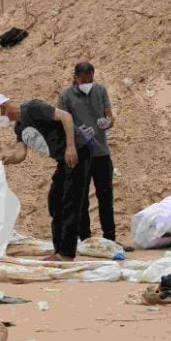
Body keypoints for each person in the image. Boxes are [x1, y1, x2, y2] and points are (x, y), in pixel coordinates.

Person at [0, 93, 92, 261]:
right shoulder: (19, 128)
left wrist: (71, 147)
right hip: (63, 159)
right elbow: (20, 154)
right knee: (55, 201)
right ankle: (59, 250)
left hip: (79, 150)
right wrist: (7, 160)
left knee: (70, 201)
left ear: (3, 108)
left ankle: (66, 254)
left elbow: (66, 117)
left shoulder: (32, 108)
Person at [58, 61, 118, 244]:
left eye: (90, 80)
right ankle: (85, 239)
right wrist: (78, 134)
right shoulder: (66, 96)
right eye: (83, 81)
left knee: (106, 197)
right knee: (81, 199)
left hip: (101, 153)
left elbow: (110, 116)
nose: (87, 84)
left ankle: (110, 240)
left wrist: (107, 122)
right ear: (75, 78)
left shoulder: (100, 90)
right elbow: (62, 124)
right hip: (80, 155)